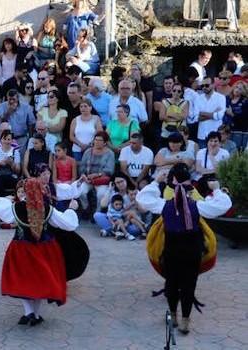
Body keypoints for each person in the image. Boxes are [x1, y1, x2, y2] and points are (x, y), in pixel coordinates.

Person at [137, 163, 232, 334]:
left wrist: (155, 182)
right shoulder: (197, 206)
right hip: (192, 249)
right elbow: (222, 206)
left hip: (171, 248)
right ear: (189, 185)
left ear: (171, 185)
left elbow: (143, 198)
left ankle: (173, 315)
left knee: (171, 282)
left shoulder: (163, 205)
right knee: (189, 285)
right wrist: (217, 189)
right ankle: (185, 321)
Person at [0, 178, 84, 325]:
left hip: (21, 248)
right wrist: (71, 209)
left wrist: (8, 199)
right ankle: (34, 314)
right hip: (44, 249)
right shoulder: (47, 209)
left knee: (23, 281)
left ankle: (29, 313)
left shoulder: (15, 208)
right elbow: (69, 224)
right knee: (39, 282)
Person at [78, 131, 115, 213]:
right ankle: (86, 208)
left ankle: (97, 212)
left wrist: (97, 175)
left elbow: (110, 170)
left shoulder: (110, 153)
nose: (96, 142)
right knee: (81, 191)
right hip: (88, 179)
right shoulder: (88, 152)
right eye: (95, 140)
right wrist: (84, 176)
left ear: (105, 143)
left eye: (99, 140)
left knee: (101, 194)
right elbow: (82, 167)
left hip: (101, 180)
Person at [0, 89, 35, 156]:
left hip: (21, 139)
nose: (11, 101)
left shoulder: (26, 107)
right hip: (6, 139)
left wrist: (30, 138)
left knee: (20, 161)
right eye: (9, 99)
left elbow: (31, 123)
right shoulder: (2, 106)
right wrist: (8, 112)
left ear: (18, 98)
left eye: (13, 99)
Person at [194, 131, 230, 196]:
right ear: (207, 142)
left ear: (219, 142)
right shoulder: (201, 152)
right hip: (203, 179)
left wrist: (211, 155)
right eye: (211, 141)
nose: (213, 143)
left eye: (215, 141)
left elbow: (222, 171)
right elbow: (198, 169)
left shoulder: (225, 153)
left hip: (218, 179)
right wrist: (214, 171)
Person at [195, 77, 226, 148]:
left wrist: (202, 113)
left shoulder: (221, 98)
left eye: (207, 85)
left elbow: (219, 116)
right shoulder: (198, 98)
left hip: (216, 135)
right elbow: (196, 117)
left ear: (213, 84)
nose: (204, 87)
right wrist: (213, 113)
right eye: (202, 86)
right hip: (202, 135)